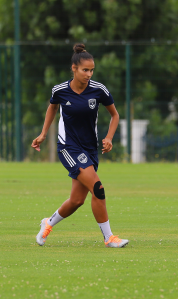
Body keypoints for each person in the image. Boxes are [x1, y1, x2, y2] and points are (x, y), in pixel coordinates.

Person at [31, 43, 129, 248]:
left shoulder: (98, 89)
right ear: (74, 69)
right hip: (68, 147)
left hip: (90, 149)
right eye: (85, 70)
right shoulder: (60, 90)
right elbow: (51, 108)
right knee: (98, 188)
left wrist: (109, 138)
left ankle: (47, 223)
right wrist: (42, 134)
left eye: (92, 70)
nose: (89, 74)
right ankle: (109, 238)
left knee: (77, 201)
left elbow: (115, 115)